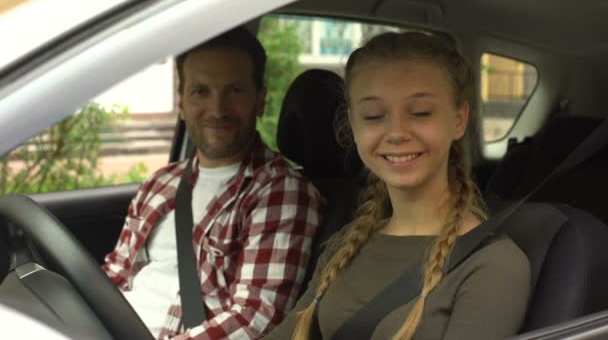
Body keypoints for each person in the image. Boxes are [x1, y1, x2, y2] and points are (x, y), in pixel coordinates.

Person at [265, 32, 530, 340]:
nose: (397, 132)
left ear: (458, 119)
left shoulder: (493, 264)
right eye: (374, 116)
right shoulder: (346, 245)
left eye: (420, 113)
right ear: (353, 125)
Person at [102, 27, 323, 340]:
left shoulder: (280, 192)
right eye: (200, 92)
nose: (218, 110)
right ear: (182, 103)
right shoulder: (161, 182)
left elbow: (255, 319)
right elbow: (115, 275)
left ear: (260, 100)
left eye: (234, 91)